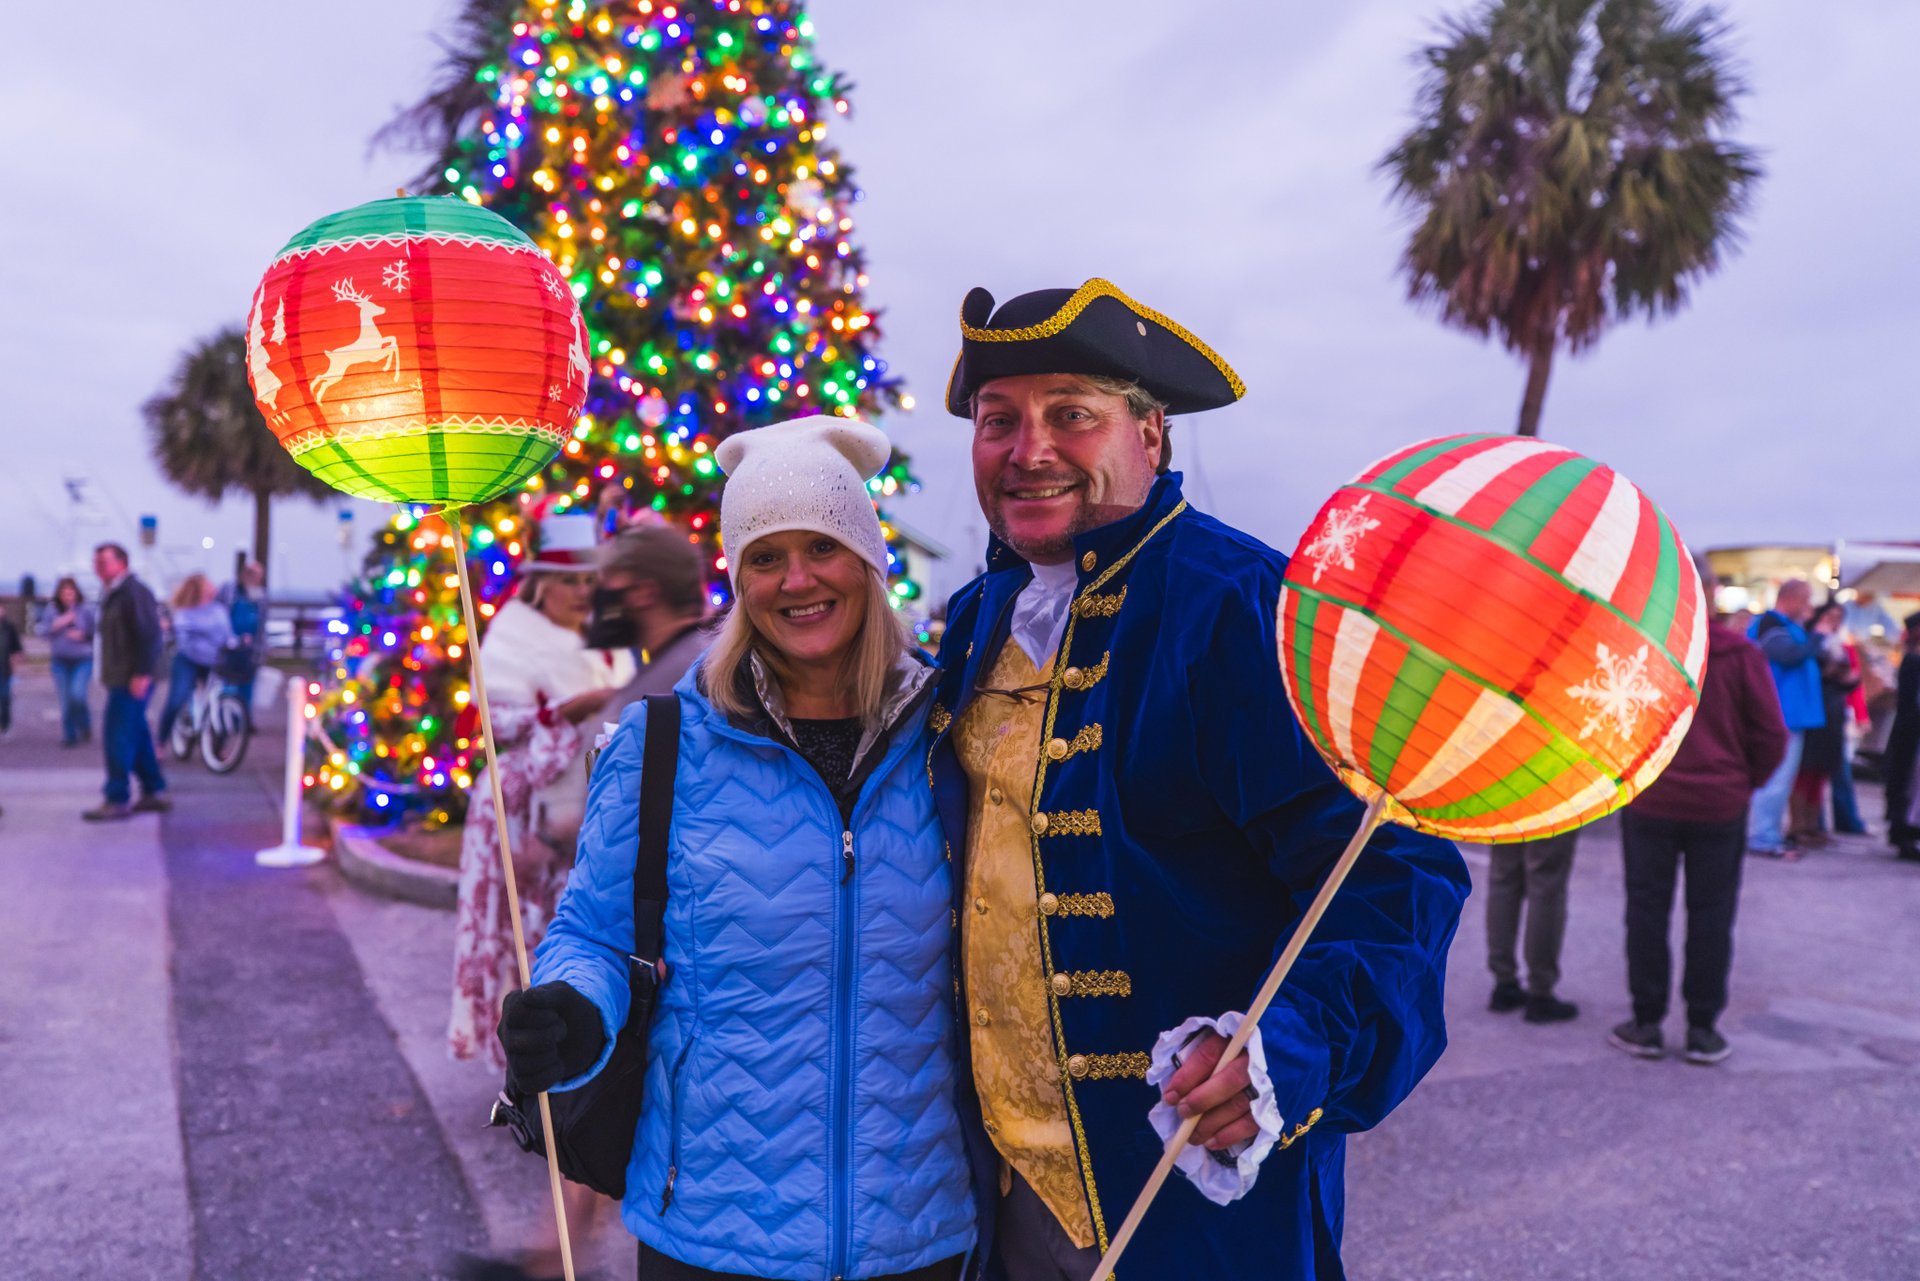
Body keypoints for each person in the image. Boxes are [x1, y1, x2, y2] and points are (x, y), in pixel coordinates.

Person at [928, 280, 1468, 1280]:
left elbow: (1394, 873)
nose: (1028, 448)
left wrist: (1289, 1050)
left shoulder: (1243, 606)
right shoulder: (975, 620)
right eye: (998, 421)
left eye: (1073, 416)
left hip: (1192, 1201)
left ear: (1152, 435)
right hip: (998, 1202)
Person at [498, 417, 975, 1281]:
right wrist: (572, 1003)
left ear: (865, 557)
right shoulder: (664, 741)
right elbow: (593, 933)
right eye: (764, 556)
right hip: (711, 1232)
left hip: (919, 1231)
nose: (797, 580)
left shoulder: (949, 732)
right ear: (738, 576)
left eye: (822, 546)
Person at [447, 513, 633, 1281]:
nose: (584, 596)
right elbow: (503, 746)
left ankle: (556, 1230)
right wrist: (574, 713)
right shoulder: (510, 639)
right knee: (538, 955)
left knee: (580, 960)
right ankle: (546, 1091)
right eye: (575, 583)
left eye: (592, 582)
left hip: (588, 817)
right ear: (546, 584)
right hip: (522, 824)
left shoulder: (606, 637)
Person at [1609, 574, 1788, 1066]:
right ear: (1710, 598)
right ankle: (1702, 1029)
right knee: (1712, 915)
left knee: (1647, 910)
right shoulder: (1741, 655)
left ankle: (1646, 1023)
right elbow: (1771, 733)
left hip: (1651, 801)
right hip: (1719, 804)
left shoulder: (1643, 648)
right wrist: (1742, 781)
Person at [593, 522, 713, 727]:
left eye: (610, 580)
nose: (599, 592)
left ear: (644, 593)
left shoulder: (677, 682)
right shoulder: (702, 659)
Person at [84, 542, 168, 821]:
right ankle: (153, 789)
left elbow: (150, 635)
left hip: (131, 677)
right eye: (96, 563)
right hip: (120, 675)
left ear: (122, 563)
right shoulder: (113, 593)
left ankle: (117, 797)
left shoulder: (134, 592)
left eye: (104, 562)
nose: (99, 568)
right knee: (138, 732)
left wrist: (141, 674)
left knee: (117, 736)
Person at [1746, 580, 1826, 857]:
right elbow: (1788, 655)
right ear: (1791, 599)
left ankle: (1766, 833)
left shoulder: (1783, 626)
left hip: (1790, 714)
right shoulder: (1771, 624)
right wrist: (1819, 635)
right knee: (1776, 778)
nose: (1809, 607)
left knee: (1780, 779)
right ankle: (1762, 835)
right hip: (1782, 714)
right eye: (1806, 600)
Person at [1483, 831, 1582, 1022]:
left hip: (1503, 801)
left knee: (1503, 874)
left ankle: (1504, 982)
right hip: (1550, 802)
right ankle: (1540, 989)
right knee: (1546, 880)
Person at [1788, 602, 1858, 848]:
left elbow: (1843, 679)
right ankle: (1797, 826)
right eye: (1830, 615)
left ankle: (1812, 824)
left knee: (1821, 772)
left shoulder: (1837, 643)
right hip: (1814, 710)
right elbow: (1807, 670)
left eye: (1838, 616)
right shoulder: (1812, 640)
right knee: (1805, 771)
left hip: (1833, 712)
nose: (1834, 620)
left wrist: (1849, 680)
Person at [156, 573, 236, 746]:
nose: (212, 588)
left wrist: (238, 643)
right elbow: (181, 630)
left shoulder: (218, 610)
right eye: (207, 585)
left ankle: (219, 746)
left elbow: (227, 634)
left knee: (220, 698)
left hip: (214, 661)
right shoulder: (185, 611)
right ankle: (161, 742)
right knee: (177, 699)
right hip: (188, 659)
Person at [38, 576, 97, 746]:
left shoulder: (85, 610)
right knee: (65, 699)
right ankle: (70, 735)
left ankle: (84, 724)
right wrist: (59, 623)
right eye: (64, 593)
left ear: (76, 593)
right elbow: (44, 633)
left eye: (70, 592)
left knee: (77, 695)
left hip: (82, 659)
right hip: (60, 660)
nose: (67, 596)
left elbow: (94, 632)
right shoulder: (52, 610)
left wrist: (83, 635)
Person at [1883, 612, 1920, 862]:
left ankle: (1905, 832)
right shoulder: (1912, 660)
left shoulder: (1910, 659)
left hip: (1909, 730)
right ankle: (1905, 834)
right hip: (1910, 732)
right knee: (1907, 783)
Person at [219, 560, 268, 720]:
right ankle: (223, 717)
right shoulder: (230, 591)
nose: (254, 578)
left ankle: (243, 719)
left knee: (247, 685)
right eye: (251, 574)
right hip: (229, 646)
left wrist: (261, 647)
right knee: (226, 684)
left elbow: (261, 624)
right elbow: (220, 615)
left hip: (249, 649)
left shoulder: (260, 596)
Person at [0, 609, 21, 735]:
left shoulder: (9, 628)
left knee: (5, 698)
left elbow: (16, 647)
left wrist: (15, 662)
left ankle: (5, 724)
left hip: (4, 669)